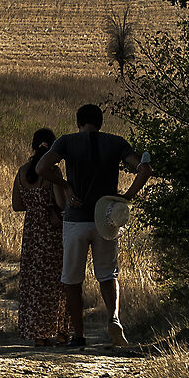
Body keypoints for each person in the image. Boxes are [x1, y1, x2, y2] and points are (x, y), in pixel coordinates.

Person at [40, 104, 153, 347]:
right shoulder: (116, 142)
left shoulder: (66, 142)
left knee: (72, 280)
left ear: (78, 121)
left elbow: (42, 167)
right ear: (100, 122)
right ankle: (114, 319)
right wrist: (127, 197)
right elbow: (144, 170)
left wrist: (66, 185)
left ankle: (79, 335)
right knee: (107, 275)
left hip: (75, 220)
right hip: (106, 219)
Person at [12, 127, 72, 345]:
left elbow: (17, 205)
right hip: (52, 233)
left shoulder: (21, 172)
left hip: (32, 234)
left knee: (34, 283)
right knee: (57, 282)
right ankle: (61, 331)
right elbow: (60, 203)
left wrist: (34, 207)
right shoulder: (52, 172)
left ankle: (39, 335)